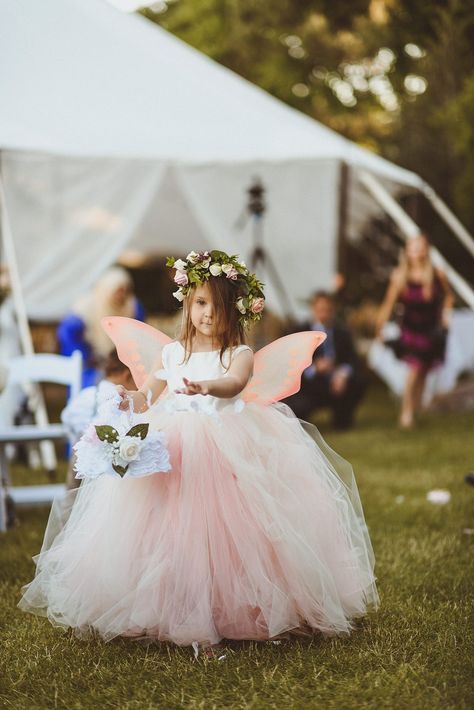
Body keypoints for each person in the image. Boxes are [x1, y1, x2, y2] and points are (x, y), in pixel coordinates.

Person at [19, 250, 378, 651]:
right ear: (188, 304)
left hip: (228, 444)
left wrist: (209, 386)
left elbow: (235, 384)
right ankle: (167, 599)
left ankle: (236, 603)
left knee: (232, 526)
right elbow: (149, 395)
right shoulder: (172, 354)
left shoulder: (237, 354)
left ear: (236, 312)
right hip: (174, 447)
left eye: (219, 306)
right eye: (201, 303)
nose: (208, 314)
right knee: (167, 525)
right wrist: (128, 398)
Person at [376, 234, 453, 429]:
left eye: (420, 247)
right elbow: (388, 303)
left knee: (424, 369)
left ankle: (416, 408)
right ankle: (406, 412)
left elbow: (448, 297)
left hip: (429, 329)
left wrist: (446, 313)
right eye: (413, 247)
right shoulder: (400, 276)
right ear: (407, 251)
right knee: (415, 368)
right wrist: (380, 326)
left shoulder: (437, 274)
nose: (416, 251)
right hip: (410, 330)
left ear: (426, 250)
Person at [285, 291, 367, 429]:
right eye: (320, 309)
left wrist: (342, 373)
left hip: (335, 381)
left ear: (333, 310)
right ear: (313, 310)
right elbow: (292, 363)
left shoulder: (342, 332)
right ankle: (302, 416)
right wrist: (314, 368)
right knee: (300, 404)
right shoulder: (300, 331)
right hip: (311, 384)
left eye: (328, 310)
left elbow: (352, 359)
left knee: (359, 380)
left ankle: (342, 417)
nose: (324, 313)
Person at [57, 266, 145, 388]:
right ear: (107, 290)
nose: (122, 295)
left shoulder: (132, 307)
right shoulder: (84, 310)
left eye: (126, 290)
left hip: (119, 362)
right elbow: (68, 337)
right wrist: (88, 357)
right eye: (118, 290)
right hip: (90, 365)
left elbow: (138, 335)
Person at [61, 350, 136, 489]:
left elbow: (67, 418)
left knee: (72, 504)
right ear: (127, 375)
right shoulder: (124, 400)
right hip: (111, 464)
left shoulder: (87, 394)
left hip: (81, 460)